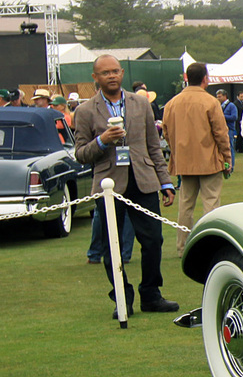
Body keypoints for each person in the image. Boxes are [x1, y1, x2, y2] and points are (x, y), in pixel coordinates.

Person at [73, 55, 179, 315]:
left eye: (114, 71)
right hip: (108, 186)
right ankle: (123, 297)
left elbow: (154, 146)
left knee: (153, 240)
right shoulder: (85, 111)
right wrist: (102, 140)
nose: (111, 76)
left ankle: (151, 294)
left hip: (143, 181)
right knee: (113, 246)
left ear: (121, 74)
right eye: (104, 72)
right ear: (95, 78)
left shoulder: (141, 104)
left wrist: (165, 182)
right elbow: (80, 153)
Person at [162, 62, 232, 258]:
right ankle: (210, 246)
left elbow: (166, 133)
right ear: (205, 79)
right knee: (211, 204)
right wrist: (227, 158)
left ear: (186, 78)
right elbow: (221, 134)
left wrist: (177, 151)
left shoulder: (172, 103)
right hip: (209, 160)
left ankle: (182, 247)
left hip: (184, 162)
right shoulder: (210, 102)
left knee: (185, 205)